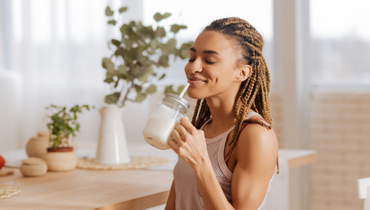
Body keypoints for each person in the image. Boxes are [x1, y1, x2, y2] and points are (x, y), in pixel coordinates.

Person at [165, 17, 279, 210]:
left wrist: (200, 161)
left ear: (242, 73)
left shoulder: (255, 136)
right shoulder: (200, 128)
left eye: (209, 60)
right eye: (192, 58)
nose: (192, 68)